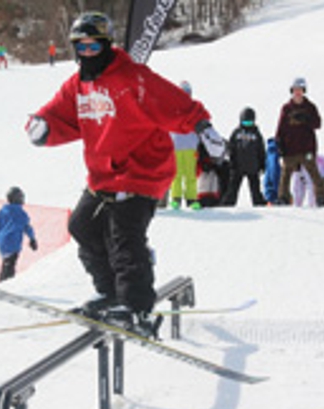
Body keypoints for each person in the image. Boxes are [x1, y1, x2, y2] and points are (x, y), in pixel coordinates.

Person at [25, 12, 225, 338]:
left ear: (106, 45)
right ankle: (109, 293)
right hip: (104, 176)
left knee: (124, 238)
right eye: (81, 47)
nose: (87, 54)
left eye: (93, 47)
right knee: (82, 225)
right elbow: (59, 113)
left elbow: (173, 102)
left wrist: (203, 127)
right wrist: (41, 125)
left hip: (142, 173)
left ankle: (139, 309)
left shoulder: (133, 78)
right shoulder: (78, 85)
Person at [275, 77, 324, 206]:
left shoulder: (310, 107)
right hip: (290, 149)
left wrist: (307, 119)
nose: (297, 93)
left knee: (314, 173)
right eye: (295, 90)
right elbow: (281, 127)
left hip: (307, 148)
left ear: (304, 91)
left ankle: (320, 198)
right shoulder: (286, 108)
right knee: (285, 175)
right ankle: (283, 198)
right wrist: (278, 143)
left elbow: (318, 124)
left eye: (300, 90)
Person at [0, 186, 38, 282]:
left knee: (7, 261)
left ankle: (3, 279)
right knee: (10, 263)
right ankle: (6, 281)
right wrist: (32, 239)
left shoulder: (2, 212)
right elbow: (27, 227)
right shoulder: (21, 213)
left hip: (2, 242)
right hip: (14, 242)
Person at [221, 107, 266, 206]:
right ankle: (226, 206)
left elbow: (261, 150)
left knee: (255, 190)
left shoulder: (256, 134)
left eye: (250, 123)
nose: (247, 125)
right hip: (238, 167)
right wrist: (231, 163)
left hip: (253, 167)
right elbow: (231, 148)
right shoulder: (236, 133)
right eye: (245, 123)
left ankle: (260, 205)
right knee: (232, 190)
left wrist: (263, 165)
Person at [169, 81, 202, 210]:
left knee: (190, 175)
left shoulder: (194, 108)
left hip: (190, 147)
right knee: (176, 175)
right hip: (176, 146)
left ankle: (191, 199)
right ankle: (176, 199)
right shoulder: (172, 108)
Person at [263, 138, 281, 205]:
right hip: (275, 195)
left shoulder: (268, 154)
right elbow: (275, 174)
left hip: (269, 193)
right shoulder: (275, 155)